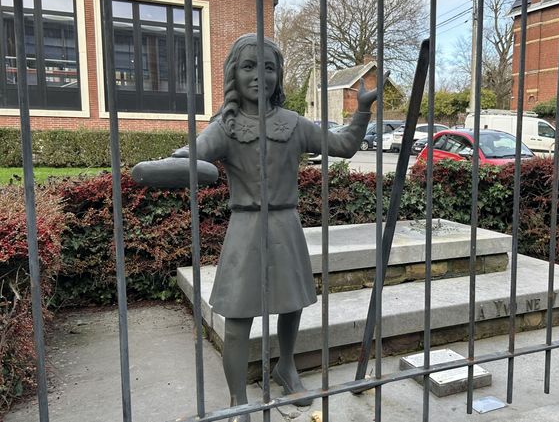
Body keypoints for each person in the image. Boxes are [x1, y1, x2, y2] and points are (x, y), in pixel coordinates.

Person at [136, 34, 381, 420]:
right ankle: (239, 399)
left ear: (278, 75)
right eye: (249, 66)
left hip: (286, 225)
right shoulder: (226, 126)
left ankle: (286, 368)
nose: (259, 76)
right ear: (234, 73)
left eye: (268, 67)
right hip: (246, 229)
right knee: (236, 319)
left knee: (292, 304)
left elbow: (345, 145)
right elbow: (192, 156)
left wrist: (362, 110)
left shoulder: (294, 124)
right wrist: (172, 164)